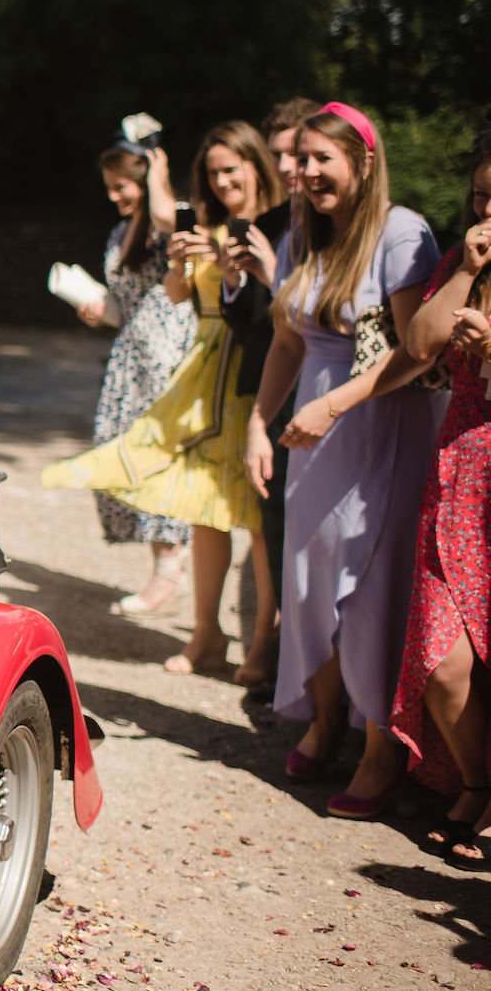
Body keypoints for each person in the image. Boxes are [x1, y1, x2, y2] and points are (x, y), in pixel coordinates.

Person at [245, 102, 443, 818]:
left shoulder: (402, 232)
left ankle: (380, 747)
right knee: (307, 582)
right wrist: (257, 422)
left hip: (380, 422)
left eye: (320, 158)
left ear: (363, 160)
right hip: (311, 432)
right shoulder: (303, 236)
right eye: (299, 159)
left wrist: (334, 405)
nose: (305, 172)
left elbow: (417, 349)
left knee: (366, 588)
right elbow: (288, 341)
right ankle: (326, 719)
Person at [45, 121, 284, 675]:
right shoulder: (207, 223)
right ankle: (206, 634)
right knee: (203, 509)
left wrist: (222, 257)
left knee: (257, 515)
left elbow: (277, 305)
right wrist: (183, 260)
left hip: (256, 369)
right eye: (214, 173)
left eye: (231, 170)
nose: (222, 182)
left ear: (256, 167)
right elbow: (178, 292)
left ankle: (263, 644)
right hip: (203, 373)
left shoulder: (276, 226)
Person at [389, 142, 491, 860]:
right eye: (482, 194)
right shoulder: (461, 259)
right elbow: (420, 344)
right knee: (444, 661)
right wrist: (466, 272)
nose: (490, 209)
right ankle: (478, 781)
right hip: (459, 474)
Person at [221, 96, 321, 690]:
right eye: (279, 154)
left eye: (297, 154)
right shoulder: (274, 222)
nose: (286, 166)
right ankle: (291, 675)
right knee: (275, 524)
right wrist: (238, 281)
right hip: (275, 391)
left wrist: (274, 277)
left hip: (331, 393)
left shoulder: (349, 225)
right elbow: (253, 324)